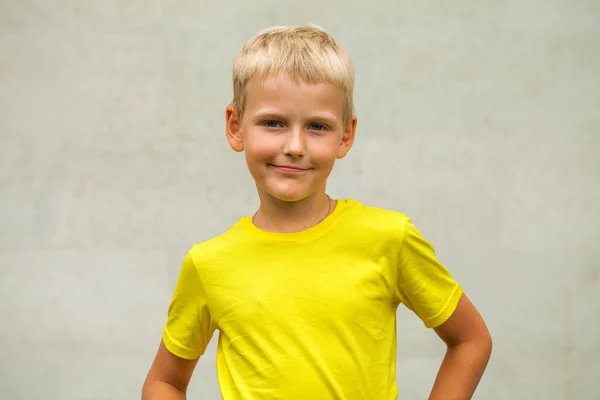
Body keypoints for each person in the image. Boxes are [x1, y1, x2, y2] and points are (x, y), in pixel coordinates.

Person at [142, 24, 492, 400]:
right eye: (273, 123)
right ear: (235, 126)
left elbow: (471, 340)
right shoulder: (209, 263)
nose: (294, 146)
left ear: (345, 135)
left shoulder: (389, 238)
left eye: (317, 126)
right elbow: (164, 382)